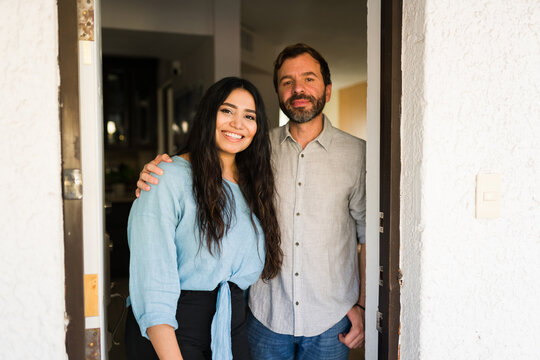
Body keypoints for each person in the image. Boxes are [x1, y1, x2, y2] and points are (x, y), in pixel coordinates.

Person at [137, 43, 366, 359]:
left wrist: (363, 304)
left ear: (327, 90)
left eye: (309, 79)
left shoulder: (358, 156)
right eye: (287, 82)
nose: (298, 89)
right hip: (260, 317)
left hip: (322, 320)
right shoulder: (254, 153)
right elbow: (154, 278)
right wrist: (160, 174)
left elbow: (370, 235)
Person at [125, 77, 283, 360]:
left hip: (231, 325)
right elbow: (152, 282)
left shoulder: (252, 186)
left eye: (249, 116)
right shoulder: (166, 177)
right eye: (227, 110)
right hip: (174, 330)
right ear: (208, 114)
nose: (237, 123)